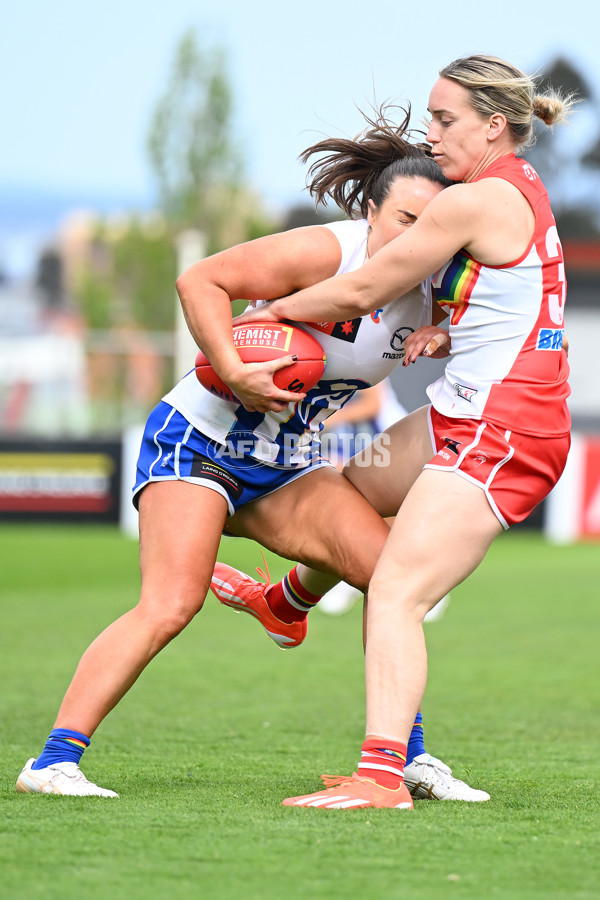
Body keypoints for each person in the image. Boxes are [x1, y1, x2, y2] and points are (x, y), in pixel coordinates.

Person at [15, 107, 483, 801]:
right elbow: (199, 280)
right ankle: (51, 763)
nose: (416, 239)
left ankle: (402, 754)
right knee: (171, 604)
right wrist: (233, 367)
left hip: (286, 466)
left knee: (394, 581)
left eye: (432, 228)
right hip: (198, 442)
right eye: (404, 221)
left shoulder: (433, 294)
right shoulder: (332, 251)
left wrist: (444, 336)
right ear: (373, 214)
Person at [230, 54, 574, 809]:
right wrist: (460, 336)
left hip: (500, 428)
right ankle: (288, 601)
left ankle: (383, 776)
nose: (432, 133)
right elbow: (535, 296)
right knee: (348, 494)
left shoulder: (474, 200)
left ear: (494, 125)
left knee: (393, 593)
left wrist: (272, 314)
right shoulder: (520, 189)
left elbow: (366, 286)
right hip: (468, 408)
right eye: (431, 117)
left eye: (446, 119)